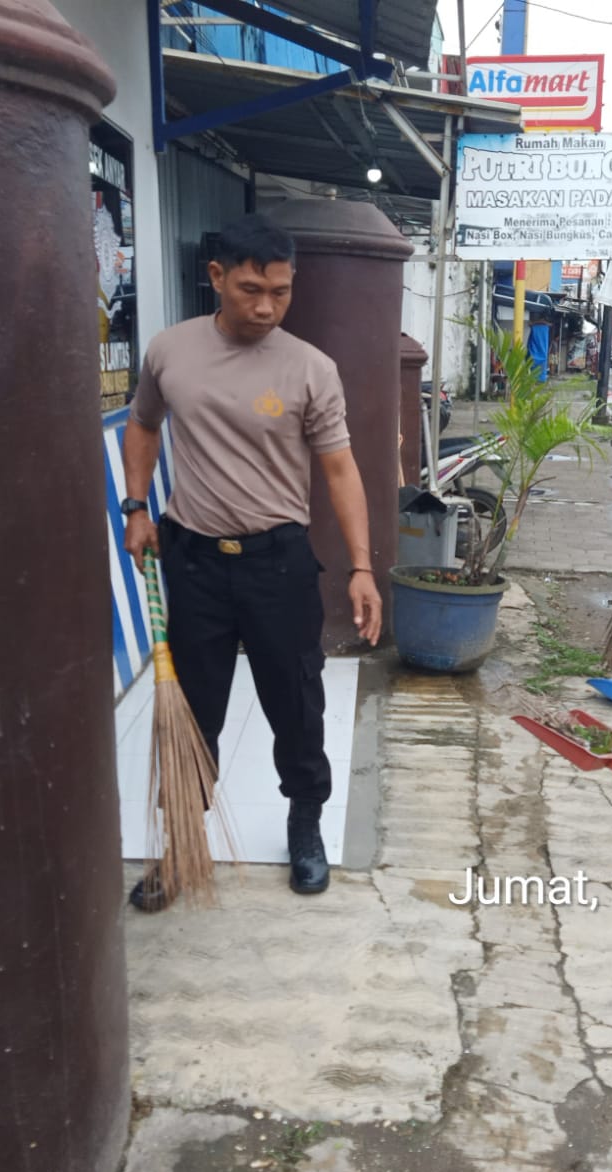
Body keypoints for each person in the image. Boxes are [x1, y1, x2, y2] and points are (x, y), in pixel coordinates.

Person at [120, 214, 382, 912]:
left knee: (296, 703)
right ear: (217, 277)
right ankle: (183, 841)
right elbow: (142, 424)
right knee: (191, 709)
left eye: (281, 292)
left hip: (278, 563)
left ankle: (305, 823)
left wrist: (361, 567)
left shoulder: (310, 368)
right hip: (193, 561)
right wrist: (136, 507)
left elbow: (340, 469)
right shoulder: (170, 351)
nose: (267, 307)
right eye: (251, 290)